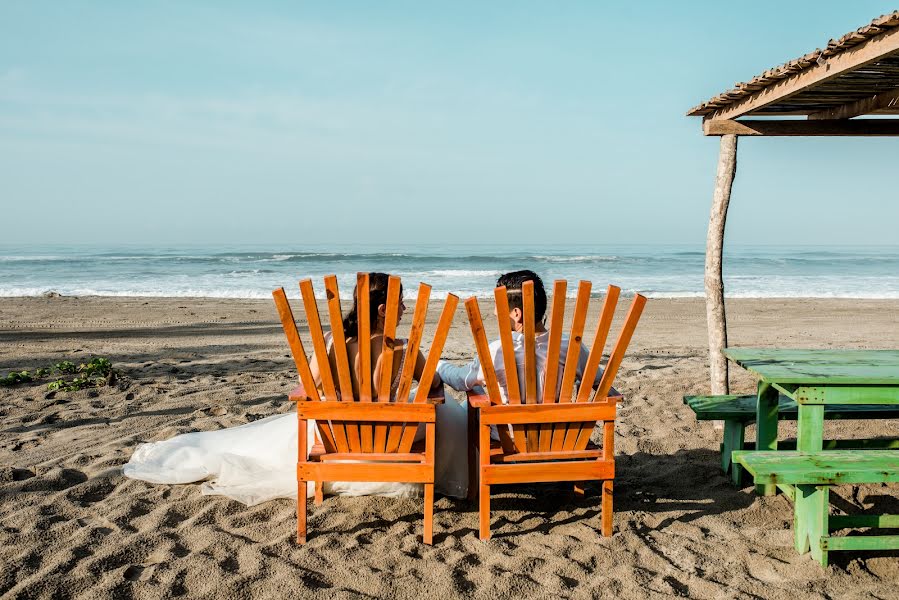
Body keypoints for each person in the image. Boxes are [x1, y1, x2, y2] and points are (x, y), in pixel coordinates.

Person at [124, 273, 468, 505]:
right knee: (446, 411)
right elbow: (433, 386)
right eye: (401, 303)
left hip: (340, 433)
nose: (406, 309)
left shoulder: (333, 342)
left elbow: (308, 385)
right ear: (383, 309)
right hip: (393, 438)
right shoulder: (405, 349)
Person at [437, 271, 616, 430]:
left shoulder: (497, 350)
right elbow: (601, 383)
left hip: (508, 440)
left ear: (516, 313)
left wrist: (438, 366)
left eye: (498, 306)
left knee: (472, 401)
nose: (494, 312)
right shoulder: (570, 346)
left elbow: (460, 380)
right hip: (558, 437)